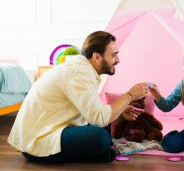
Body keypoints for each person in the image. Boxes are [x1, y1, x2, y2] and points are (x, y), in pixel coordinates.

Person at [8, 31, 149, 163]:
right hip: (38, 140)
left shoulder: (84, 69)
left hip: (54, 127)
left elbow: (93, 112)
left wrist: (120, 113)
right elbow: (98, 118)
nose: (117, 60)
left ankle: (96, 152)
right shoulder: (79, 73)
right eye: (113, 55)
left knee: (103, 129)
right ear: (97, 57)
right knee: (99, 137)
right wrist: (130, 96)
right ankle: (95, 153)